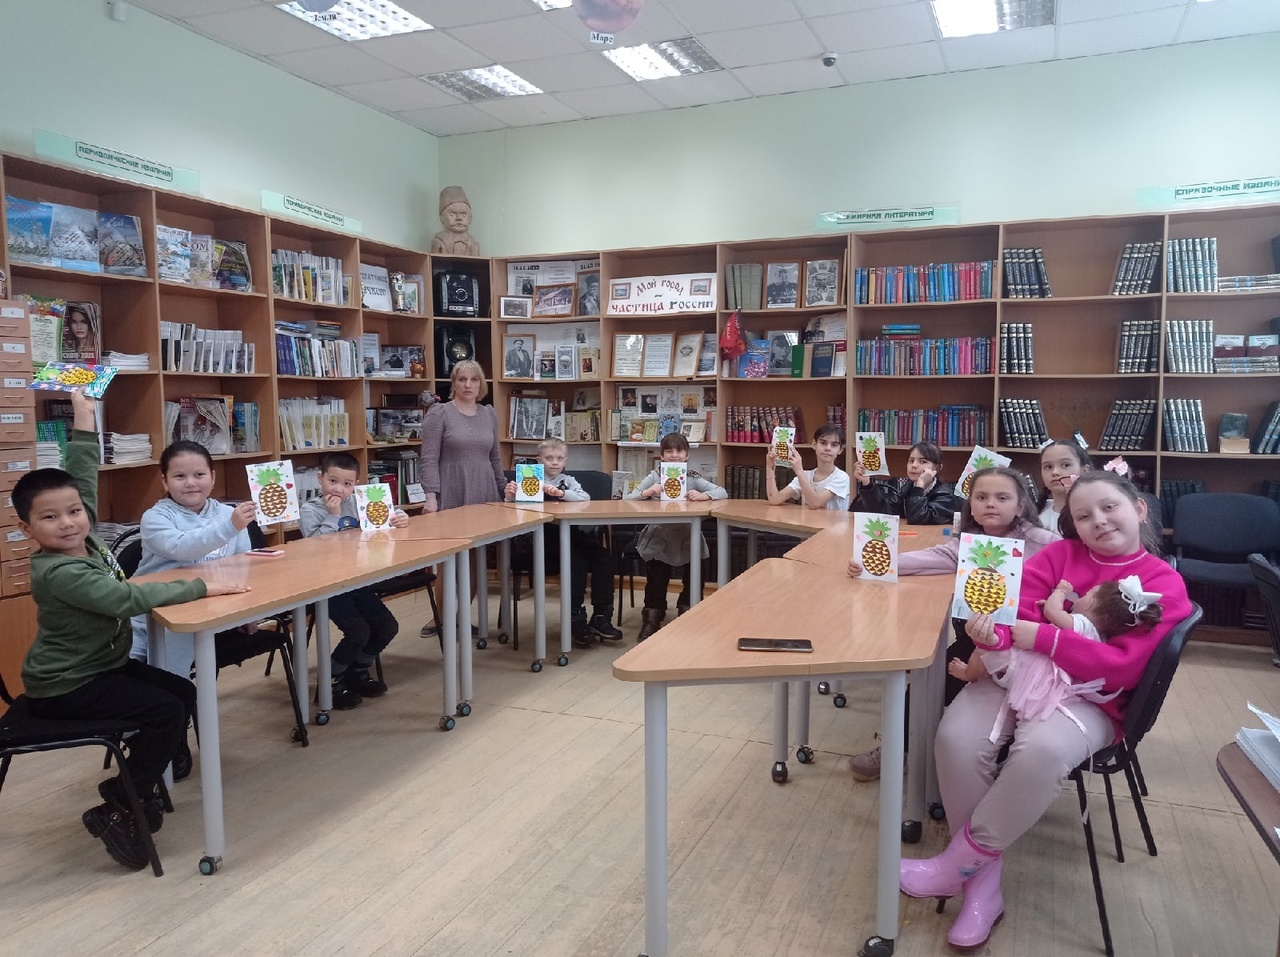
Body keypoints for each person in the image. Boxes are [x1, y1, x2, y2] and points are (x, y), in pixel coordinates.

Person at [900, 470, 1191, 949]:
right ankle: (981, 890)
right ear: (1070, 521)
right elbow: (1015, 610)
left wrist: (1045, 634)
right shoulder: (1059, 554)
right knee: (955, 739)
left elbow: (1122, 667)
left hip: (1093, 698)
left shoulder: (1163, 583)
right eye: (1084, 515)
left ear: (1139, 509)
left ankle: (955, 865)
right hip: (1019, 674)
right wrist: (1029, 633)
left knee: (1041, 752)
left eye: (1110, 507)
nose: (1098, 521)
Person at [15, 390, 247, 870]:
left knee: (180, 693)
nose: (68, 523)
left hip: (101, 667)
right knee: (165, 710)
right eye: (49, 518)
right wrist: (198, 587)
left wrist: (84, 415)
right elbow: (125, 599)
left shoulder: (82, 538)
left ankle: (137, 783)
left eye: (75, 511)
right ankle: (122, 801)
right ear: (26, 529)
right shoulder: (59, 571)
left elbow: (82, 474)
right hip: (67, 684)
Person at [845, 467, 1058, 781]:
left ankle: (997, 766)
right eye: (981, 497)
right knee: (924, 684)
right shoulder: (972, 541)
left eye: (1002, 498)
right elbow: (938, 556)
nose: (990, 503)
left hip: (1025, 648)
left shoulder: (1044, 542)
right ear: (970, 504)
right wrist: (879, 563)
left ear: (1021, 505)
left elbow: (1070, 579)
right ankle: (897, 749)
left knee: (1000, 717)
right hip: (975, 641)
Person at [129, 440, 259, 778]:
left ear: (213, 477)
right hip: (155, 615)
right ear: (164, 481)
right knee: (152, 677)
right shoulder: (156, 517)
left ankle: (170, 728)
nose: (190, 483)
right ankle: (166, 736)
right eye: (179, 476)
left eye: (199, 474)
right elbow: (182, 548)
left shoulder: (226, 513)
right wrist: (231, 525)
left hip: (207, 613)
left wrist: (248, 615)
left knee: (177, 673)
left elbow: (242, 564)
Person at [949, 575, 1165, 724]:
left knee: (985, 651)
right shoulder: (1098, 635)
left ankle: (969, 672)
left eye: (1086, 595)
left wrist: (1060, 592)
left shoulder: (1081, 623)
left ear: (1090, 604)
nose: (1080, 597)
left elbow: (1052, 612)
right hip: (1050, 681)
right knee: (998, 647)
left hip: (1034, 670)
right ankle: (992, 648)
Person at [300, 451, 409, 709]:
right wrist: (332, 515)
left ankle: (356, 671)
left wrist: (400, 516)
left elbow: (384, 513)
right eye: (333, 481)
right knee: (358, 631)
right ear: (320, 478)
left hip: (356, 581)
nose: (339, 489)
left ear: (356, 484)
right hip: (326, 584)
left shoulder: (359, 502)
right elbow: (315, 546)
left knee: (387, 626)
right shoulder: (310, 509)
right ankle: (330, 683)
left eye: (347, 484)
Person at [503, 439, 623, 645]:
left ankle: (602, 616)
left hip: (573, 534)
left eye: (559, 458)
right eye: (549, 458)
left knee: (603, 556)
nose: (554, 462)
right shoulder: (528, 478)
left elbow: (584, 498)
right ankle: (575, 617)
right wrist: (509, 496)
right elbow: (512, 507)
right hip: (543, 538)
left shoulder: (568, 481)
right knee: (575, 561)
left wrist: (562, 493)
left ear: (565, 461)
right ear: (539, 460)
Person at [418, 360, 505, 636]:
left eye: (474, 380)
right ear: (453, 383)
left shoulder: (489, 414)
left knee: (476, 559)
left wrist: (504, 492)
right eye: (462, 379)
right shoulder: (439, 413)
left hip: (484, 491)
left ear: (481, 384)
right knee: (449, 559)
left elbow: (495, 458)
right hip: (451, 490)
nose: (468, 385)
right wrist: (431, 496)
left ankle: (460, 616)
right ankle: (440, 618)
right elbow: (428, 458)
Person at [626, 433, 727, 641]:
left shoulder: (692, 477)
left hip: (687, 535)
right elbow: (628, 498)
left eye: (679, 451)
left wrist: (703, 495)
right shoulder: (655, 476)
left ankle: (688, 610)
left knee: (694, 575)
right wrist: (647, 492)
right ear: (662, 455)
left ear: (687, 455)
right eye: (669, 451)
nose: (674, 455)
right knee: (657, 577)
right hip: (660, 535)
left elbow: (722, 492)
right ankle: (652, 615)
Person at [851, 441, 956, 524]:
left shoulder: (944, 495)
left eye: (923, 461)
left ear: (937, 468)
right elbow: (884, 512)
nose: (914, 465)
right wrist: (867, 483)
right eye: (911, 460)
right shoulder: (907, 489)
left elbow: (918, 519)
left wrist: (919, 487)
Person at [765, 423, 851, 510]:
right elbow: (774, 499)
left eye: (834, 445)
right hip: (808, 519)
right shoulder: (806, 475)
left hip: (833, 519)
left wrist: (799, 471)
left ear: (840, 450)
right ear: (814, 444)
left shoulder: (841, 477)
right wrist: (770, 466)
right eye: (823, 443)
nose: (828, 448)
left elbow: (815, 503)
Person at [1038, 437, 1092, 532]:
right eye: (1048, 467)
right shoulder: (1038, 513)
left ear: (1084, 471)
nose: (1055, 472)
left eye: (1065, 465)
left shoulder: (1093, 513)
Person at [429, 185, 479, 256]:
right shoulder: (438, 242)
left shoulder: (474, 245)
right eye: (452, 214)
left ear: (470, 218)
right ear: (442, 217)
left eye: (463, 214)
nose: (459, 218)